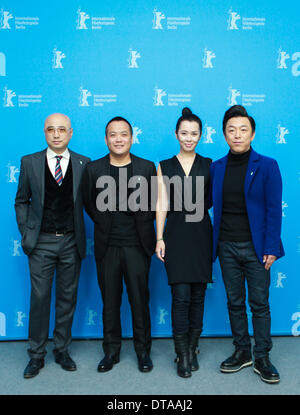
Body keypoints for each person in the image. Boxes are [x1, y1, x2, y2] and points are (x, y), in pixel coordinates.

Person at [210, 105, 284, 383]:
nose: (237, 135)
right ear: (224, 135)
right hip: (226, 245)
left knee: (260, 304)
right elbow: (203, 204)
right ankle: (243, 352)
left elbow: (273, 210)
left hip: (257, 248)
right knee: (234, 301)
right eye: (231, 130)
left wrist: (271, 247)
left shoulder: (267, 165)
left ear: (252, 133)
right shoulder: (216, 168)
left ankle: (262, 356)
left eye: (243, 130)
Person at [15, 113, 91, 378]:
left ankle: (61, 349)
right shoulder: (30, 162)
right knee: (39, 299)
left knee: (67, 299)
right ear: (44, 133)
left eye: (61, 129)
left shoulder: (84, 163)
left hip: (71, 241)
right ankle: (36, 355)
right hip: (41, 243)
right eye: (51, 129)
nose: (56, 134)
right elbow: (21, 200)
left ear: (71, 132)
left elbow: (92, 203)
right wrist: (27, 232)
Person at [82, 116, 156, 373]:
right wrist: (104, 224)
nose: (118, 139)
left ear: (131, 138)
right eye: (113, 134)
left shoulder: (147, 168)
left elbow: (155, 203)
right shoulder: (93, 169)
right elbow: (88, 203)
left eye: (123, 134)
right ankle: (111, 352)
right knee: (110, 302)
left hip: (138, 246)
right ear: (106, 139)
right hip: (107, 247)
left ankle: (143, 352)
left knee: (139, 301)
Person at [156, 107, 213, 378]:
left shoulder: (210, 164)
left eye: (194, 134)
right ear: (175, 134)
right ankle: (181, 353)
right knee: (180, 297)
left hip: (202, 234)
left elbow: (212, 201)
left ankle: (192, 349)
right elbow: (162, 204)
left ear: (201, 135)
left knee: (198, 296)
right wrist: (159, 237)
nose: (188, 138)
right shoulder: (164, 166)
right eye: (184, 133)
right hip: (175, 235)